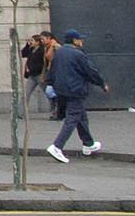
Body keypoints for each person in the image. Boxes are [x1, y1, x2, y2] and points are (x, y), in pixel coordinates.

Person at [45, 29, 110, 163]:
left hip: (62, 89)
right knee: (73, 118)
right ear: (74, 40)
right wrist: (102, 84)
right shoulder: (78, 54)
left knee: (81, 117)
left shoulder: (60, 52)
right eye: (80, 39)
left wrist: (51, 83)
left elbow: (53, 70)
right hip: (75, 89)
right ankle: (57, 146)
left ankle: (88, 144)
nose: (82, 41)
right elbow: (90, 71)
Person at [21, 31, 51, 118]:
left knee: (48, 93)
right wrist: (27, 45)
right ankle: (20, 113)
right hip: (32, 75)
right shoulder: (30, 49)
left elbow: (45, 62)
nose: (31, 42)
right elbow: (23, 53)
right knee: (26, 94)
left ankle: (55, 111)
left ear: (38, 42)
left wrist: (43, 73)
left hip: (40, 75)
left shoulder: (42, 51)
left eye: (33, 40)